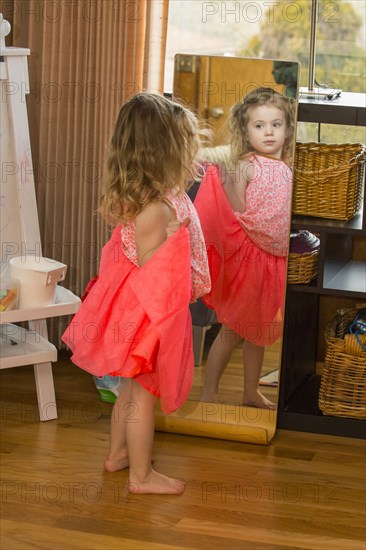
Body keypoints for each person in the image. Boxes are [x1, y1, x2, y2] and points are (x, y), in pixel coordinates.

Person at [62, 92, 210, 495]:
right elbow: (152, 269)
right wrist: (174, 241)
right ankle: (141, 477)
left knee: (128, 390)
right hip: (150, 315)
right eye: (183, 147)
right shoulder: (156, 210)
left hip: (145, 308)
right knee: (143, 395)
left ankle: (117, 456)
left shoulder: (158, 197)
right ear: (162, 152)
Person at [195, 87, 295, 409]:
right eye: (259, 125)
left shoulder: (290, 169)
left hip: (275, 259)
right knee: (233, 327)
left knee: (258, 330)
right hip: (250, 257)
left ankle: (250, 392)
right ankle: (209, 391)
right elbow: (235, 212)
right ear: (246, 130)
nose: (268, 132)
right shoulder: (246, 165)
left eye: (276, 124)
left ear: (288, 128)